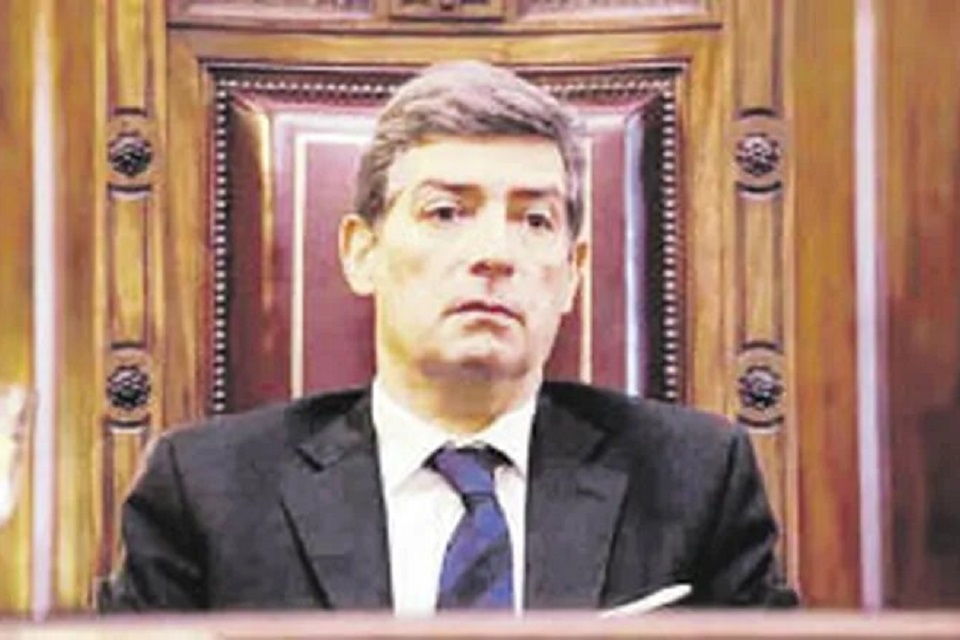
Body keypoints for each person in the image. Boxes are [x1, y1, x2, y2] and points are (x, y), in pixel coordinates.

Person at [99, 60, 798, 613]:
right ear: (362, 252)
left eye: (534, 221)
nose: (494, 253)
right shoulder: (208, 492)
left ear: (573, 273)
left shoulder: (694, 479)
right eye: (445, 212)